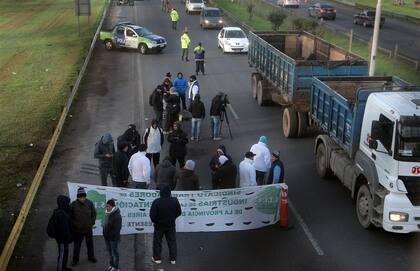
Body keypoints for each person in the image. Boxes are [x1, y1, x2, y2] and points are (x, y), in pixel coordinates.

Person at [150, 185, 182, 265]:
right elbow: (179, 212)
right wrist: (172, 218)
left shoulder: (156, 202)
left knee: (157, 242)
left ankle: (157, 258)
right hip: (171, 225)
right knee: (172, 241)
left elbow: (152, 216)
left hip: (159, 226)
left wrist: (156, 221)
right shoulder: (174, 200)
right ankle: (173, 258)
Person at [70, 187, 97, 266]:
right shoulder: (73, 205)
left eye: (83, 196)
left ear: (85, 196)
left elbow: (94, 213)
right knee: (77, 246)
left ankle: (91, 257)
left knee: (90, 244)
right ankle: (75, 260)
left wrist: (91, 222)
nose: (82, 198)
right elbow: (70, 216)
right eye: (80, 197)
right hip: (77, 230)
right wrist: (75, 225)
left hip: (88, 229)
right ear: (77, 197)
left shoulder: (90, 203)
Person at [51, 195, 73, 271]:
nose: (69, 204)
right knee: (62, 254)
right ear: (64, 204)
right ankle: (60, 269)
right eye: (67, 203)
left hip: (63, 239)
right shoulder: (61, 215)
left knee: (65, 253)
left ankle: (64, 267)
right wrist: (69, 238)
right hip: (62, 240)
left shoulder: (61, 210)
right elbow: (64, 230)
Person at [103, 199, 122, 271]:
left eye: (108, 206)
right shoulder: (108, 213)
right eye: (106, 206)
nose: (107, 208)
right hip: (107, 237)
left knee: (114, 252)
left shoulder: (117, 216)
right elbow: (105, 225)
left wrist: (108, 235)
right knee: (110, 252)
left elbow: (117, 230)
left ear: (113, 207)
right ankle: (111, 265)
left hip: (113, 239)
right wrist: (104, 233)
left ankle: (116, 267)